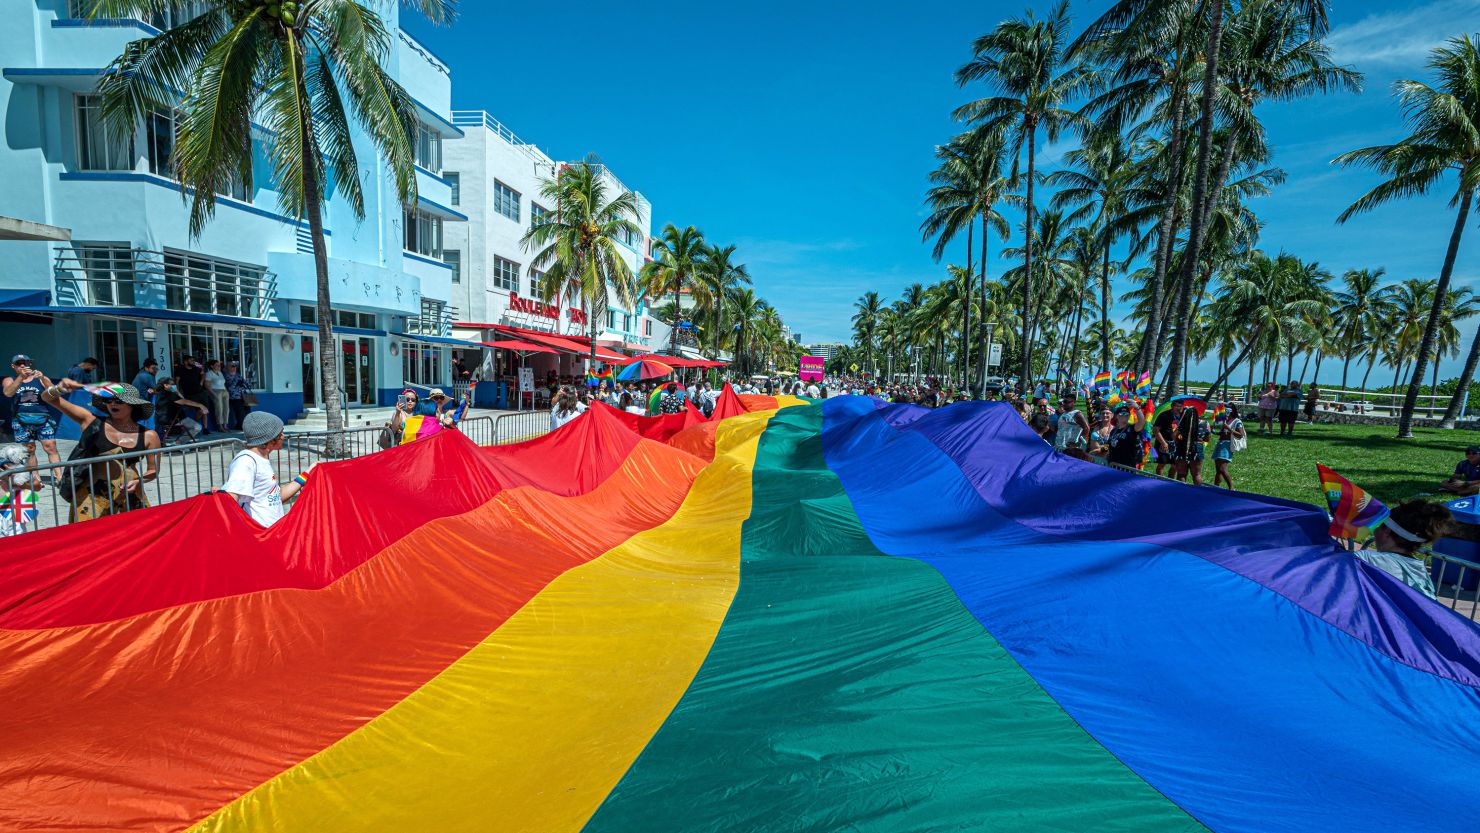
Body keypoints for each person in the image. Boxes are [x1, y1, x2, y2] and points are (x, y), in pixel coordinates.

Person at [42, 380, 160, 521]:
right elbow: (48, 398)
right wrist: (58, 389)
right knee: (89, 536)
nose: (112, 404)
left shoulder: (149, 436)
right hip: (91, 496)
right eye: (108, 400)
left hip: (129, 495)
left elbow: (153, 470)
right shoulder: (90, 421)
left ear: (132, 405)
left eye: (118, 401)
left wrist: (140, 480)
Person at [222, 411, 309, 528]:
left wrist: (307, 474)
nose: (283, 436)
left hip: (273, 532)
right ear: (270, 438)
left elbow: (278, 497)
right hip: (260, 536)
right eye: (280, 433)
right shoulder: (245, 462)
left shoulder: (261, 459)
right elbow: (229, 502)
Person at [1351, 500, 1450, 600]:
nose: (1374, 531)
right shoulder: (1421, 573)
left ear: (1387, 531)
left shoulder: (1364, 559)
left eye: (1378, 525)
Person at [3, 354, 62, 484]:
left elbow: (54, 391)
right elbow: (8, 393)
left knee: (51, 446)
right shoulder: (10, 379)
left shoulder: (39, 378)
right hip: (21, 420)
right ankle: (36, 478)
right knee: (29, 449)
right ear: (14, 366)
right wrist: (21, 378)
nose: (23, 365)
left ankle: (59, 478)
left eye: (26, 363)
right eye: (19, 363)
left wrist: (43, 378)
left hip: (43, 417)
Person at [153, 376, 210, 441]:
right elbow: (184, 401)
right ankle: (179, 443)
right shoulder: (169, 394)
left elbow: (182, 400)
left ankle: (181, 442)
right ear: (165, 385)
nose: (174, 386)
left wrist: (177, 392)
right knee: (196, 427)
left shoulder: (160, 393)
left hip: (161, 419)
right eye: (172, 384)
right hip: (170, 420)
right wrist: (200, 405)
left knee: (189, 425)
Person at [1171, 405, 1210, 485]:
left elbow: (1174, 436)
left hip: (1182, 447)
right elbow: (1207, 438)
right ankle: (1198, 494)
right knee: (1196, 474)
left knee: (1181, 474)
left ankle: (1181, 493)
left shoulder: (1182, 423)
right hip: (1197, 448)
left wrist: (1179, 440)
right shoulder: (1205, 423)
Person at [1211, 405, 1247, 490]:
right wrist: (1215, 432)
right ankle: (1216, 487)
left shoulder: (1237, 421)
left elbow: (1240, 435)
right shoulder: (1226, 420)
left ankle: (1231, 487)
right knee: (1218, 470)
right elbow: (1224, 433)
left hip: (1227, 445)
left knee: (1222, 468)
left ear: (1231, 411)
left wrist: (1229, 428)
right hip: (1220, 444)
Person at [175, 356, 209, 433]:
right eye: (191, 360)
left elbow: (203, 373)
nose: (193, 361)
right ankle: (193, 425)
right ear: (185, 361)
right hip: (190, 394)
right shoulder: (180, 370)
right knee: (200, 411)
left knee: (204, 410)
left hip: (200, 392)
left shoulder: (196, 368)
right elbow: (177, 381)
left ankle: (205, 428)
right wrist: (178, 392)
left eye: (193, 360)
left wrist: (201, 382)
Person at [1152, 399, 1186, 476]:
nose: (1178, 408)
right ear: (1172, 406)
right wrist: (1163, 443)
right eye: (1176, 406)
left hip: (1177, 444)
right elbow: (1155, 430)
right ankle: (1159, 481)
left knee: (1175, 465)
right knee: (1162, 464)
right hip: (1163, 442)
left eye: (1180, 406)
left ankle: (1170, 481)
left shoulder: (1183, 416)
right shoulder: (1164, 415)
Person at [224, 361, 251, 429]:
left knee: (247, 410)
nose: (234, 368)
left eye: (235, 366)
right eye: (232, 366)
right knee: (240, 411)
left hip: (244, 396)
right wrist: (238, 383)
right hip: (234, 397)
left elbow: (246, 385)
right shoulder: (226, 376)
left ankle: (245, 425)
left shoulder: (238, 375)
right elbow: (230, 387)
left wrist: (241, 385)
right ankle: (242, 426)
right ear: (228, 367)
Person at [204, 359, 228, 433]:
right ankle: (219, 426)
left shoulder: (220, 373)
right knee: (219, 409)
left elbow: (223, 383)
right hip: (216, 391)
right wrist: (213, 393)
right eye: (217, 365)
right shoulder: (209, 373)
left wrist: (226, 391)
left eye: (219, 365)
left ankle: (225, 425)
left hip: (224, 391)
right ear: (212, 366)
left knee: (226, 408)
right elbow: (207, 385)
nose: (219, 366)